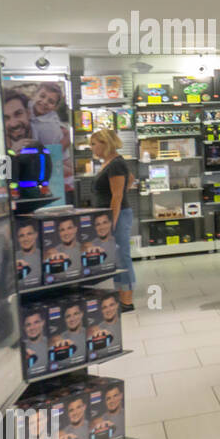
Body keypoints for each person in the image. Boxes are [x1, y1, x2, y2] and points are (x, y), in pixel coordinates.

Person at [89, 128, 136, 311]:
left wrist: (111, 222)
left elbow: (116, 196)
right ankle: (121, 295)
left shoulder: (115, 164)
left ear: (105, 143)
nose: (92, 148)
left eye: (94, 144)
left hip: (118, 215)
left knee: (122, 256)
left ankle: (126, 300)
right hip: (114, 215)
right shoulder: (110, 162)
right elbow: (130, 179)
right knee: (117, 257)